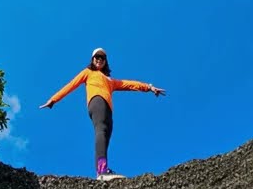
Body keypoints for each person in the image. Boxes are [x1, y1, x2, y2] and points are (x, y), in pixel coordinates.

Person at [39, 47, 165, 180]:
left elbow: (129, 84)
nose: (99, 59)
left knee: (105, 136)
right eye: (96, 57)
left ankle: (102, 171)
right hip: (97, 102)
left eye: (102, 58)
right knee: (101, 130)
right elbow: (71, 84)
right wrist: (53, 99)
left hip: (108, 109)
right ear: (92, 60)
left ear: (105, 61)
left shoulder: (110, 81)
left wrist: (149, 87)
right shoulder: (88, 72)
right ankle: (102, 171)